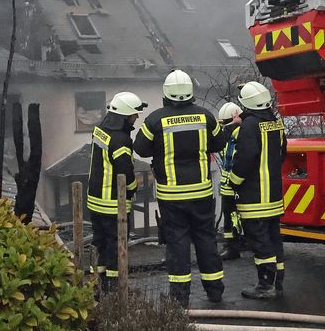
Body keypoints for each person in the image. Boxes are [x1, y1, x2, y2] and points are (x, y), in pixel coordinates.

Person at [133, 70, 226, 307]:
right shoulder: (206, 116)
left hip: (171, 196)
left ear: (166, 93)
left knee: (178, 243)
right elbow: (219, 142)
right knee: (206, 239)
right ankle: (215, 291)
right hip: (203, 192)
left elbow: (141, 149)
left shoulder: (155, 120)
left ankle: (179, 298)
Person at [228, 81, 287, 300]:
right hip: (273, 195)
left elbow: (245, 159)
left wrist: (234, 181)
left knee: (260, 242)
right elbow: (282, 153)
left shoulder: (250, 126)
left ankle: (265, 286)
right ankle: (277, 283)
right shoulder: (275, 122)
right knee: (273, 240)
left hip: (255, 197)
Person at [87, 91, 147, 293]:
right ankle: (114, 288)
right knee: (115, 245)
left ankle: (98, 283)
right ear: (124, 116)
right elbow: (125, 172)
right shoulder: (121, 139)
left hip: (95, 200)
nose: (137, 117)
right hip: (113, 203)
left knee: (100, 244)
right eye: (134, 114)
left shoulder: (99, 130)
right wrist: (133, 189)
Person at [216, 102, 243, 260]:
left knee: (234, 216)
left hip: (236, 183)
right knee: (230, 216)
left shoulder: (239, 133)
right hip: (229, 184)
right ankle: (232, 245)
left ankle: (233, 246)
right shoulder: (228, 134)